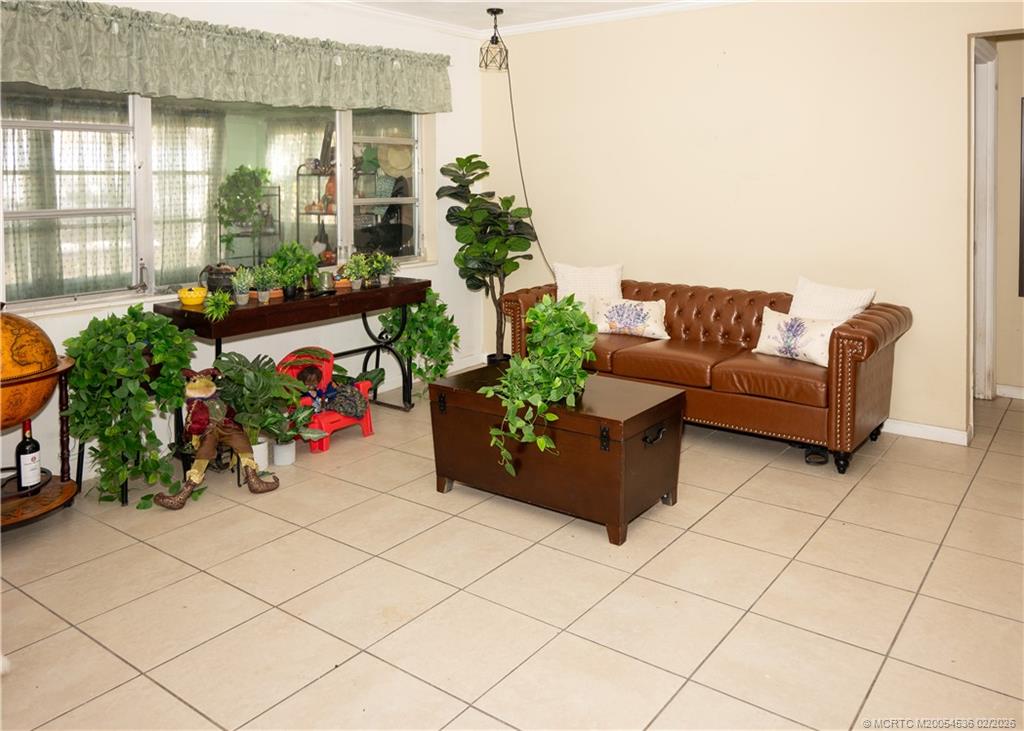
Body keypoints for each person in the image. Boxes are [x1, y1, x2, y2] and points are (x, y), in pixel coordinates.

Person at [297, 365, 368, 419]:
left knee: (350, 391)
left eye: (314, 384)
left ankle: (360, 406)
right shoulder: (304, 394)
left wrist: (334, 388)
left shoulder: (319, 389)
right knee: (346, 407)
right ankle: (358, 411)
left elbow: (326, 394)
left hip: (331, 398)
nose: (311, 386)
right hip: (327, 406)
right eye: (307, 384)